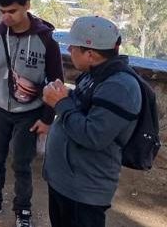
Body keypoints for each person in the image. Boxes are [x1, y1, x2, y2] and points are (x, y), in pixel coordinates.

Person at [0, 0, 64, 227]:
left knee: (21, 163)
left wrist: (46, 118)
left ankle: (23, 210)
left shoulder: (46, 42)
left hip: (30, 113)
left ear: (27, 6)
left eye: (11, 11)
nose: (6, 17)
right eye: (2, 11)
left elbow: (57, 82)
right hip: (0, 106)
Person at [42, 16, 141, 227]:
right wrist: (65, 96)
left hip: (84, 191)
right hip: (67, 183)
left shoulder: (120, 86)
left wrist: (60, 103)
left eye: (73, 46)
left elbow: (92, 136)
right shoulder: (95, 75)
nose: (69, 49)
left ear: (90, 54)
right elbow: (84, 109)